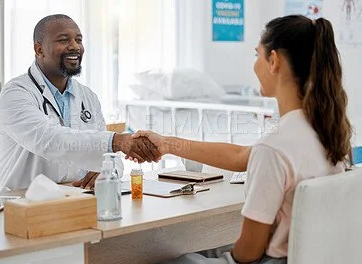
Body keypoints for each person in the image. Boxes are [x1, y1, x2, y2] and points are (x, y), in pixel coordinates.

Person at [134, 15, 352, 264]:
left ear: (273, 61)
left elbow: (248, 252)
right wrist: (166, 143)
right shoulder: (324, 132)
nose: (254, 65)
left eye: (256, 54)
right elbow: (241, 157)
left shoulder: (274, 147)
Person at [0, 14, 160, 192]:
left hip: (71, 198)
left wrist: (107, 170)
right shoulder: (16, 93)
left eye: (78, 40)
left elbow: (111, 157)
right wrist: (117, 141)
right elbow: (49, 140)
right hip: (19, 204)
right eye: (63, 40)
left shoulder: (87, 96)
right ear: (39, 50)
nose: (74, 46)